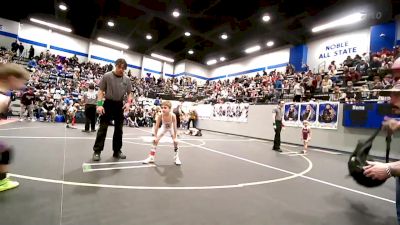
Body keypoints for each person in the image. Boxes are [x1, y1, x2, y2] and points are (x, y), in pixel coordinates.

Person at [92, 58, 133, 161]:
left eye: (123, 68)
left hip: (119, 105)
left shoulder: (127, 79)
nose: (121, 70)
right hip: (108, 104)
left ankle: (117, 151)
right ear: (116, 66)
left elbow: (130, 93)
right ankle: (97, 151)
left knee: (119, 130)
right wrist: (100, 105)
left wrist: (128, 103)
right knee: (103, 128)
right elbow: (101, 91)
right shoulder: (107, 76)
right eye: (119, 67)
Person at [0, 63, 30, 192]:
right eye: (22, 81)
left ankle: (2, 181)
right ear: (12, 78)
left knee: (5, 151)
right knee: (5, 151)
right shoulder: (2, 98)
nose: (23, 85)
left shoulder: (4, 94)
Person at [142, 101, 181, 165]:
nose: (163, 109)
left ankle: (176, 158)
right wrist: (155, 136)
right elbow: (156, 126)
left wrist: (175, 137)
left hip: (171, 128)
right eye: (162, 108)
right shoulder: (160, 115)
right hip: (164, 127)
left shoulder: (173, 115)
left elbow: (174, 127)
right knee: (155, 141)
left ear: (170, 109)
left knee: (176, 142)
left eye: (165, 108)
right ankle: (151, 157)